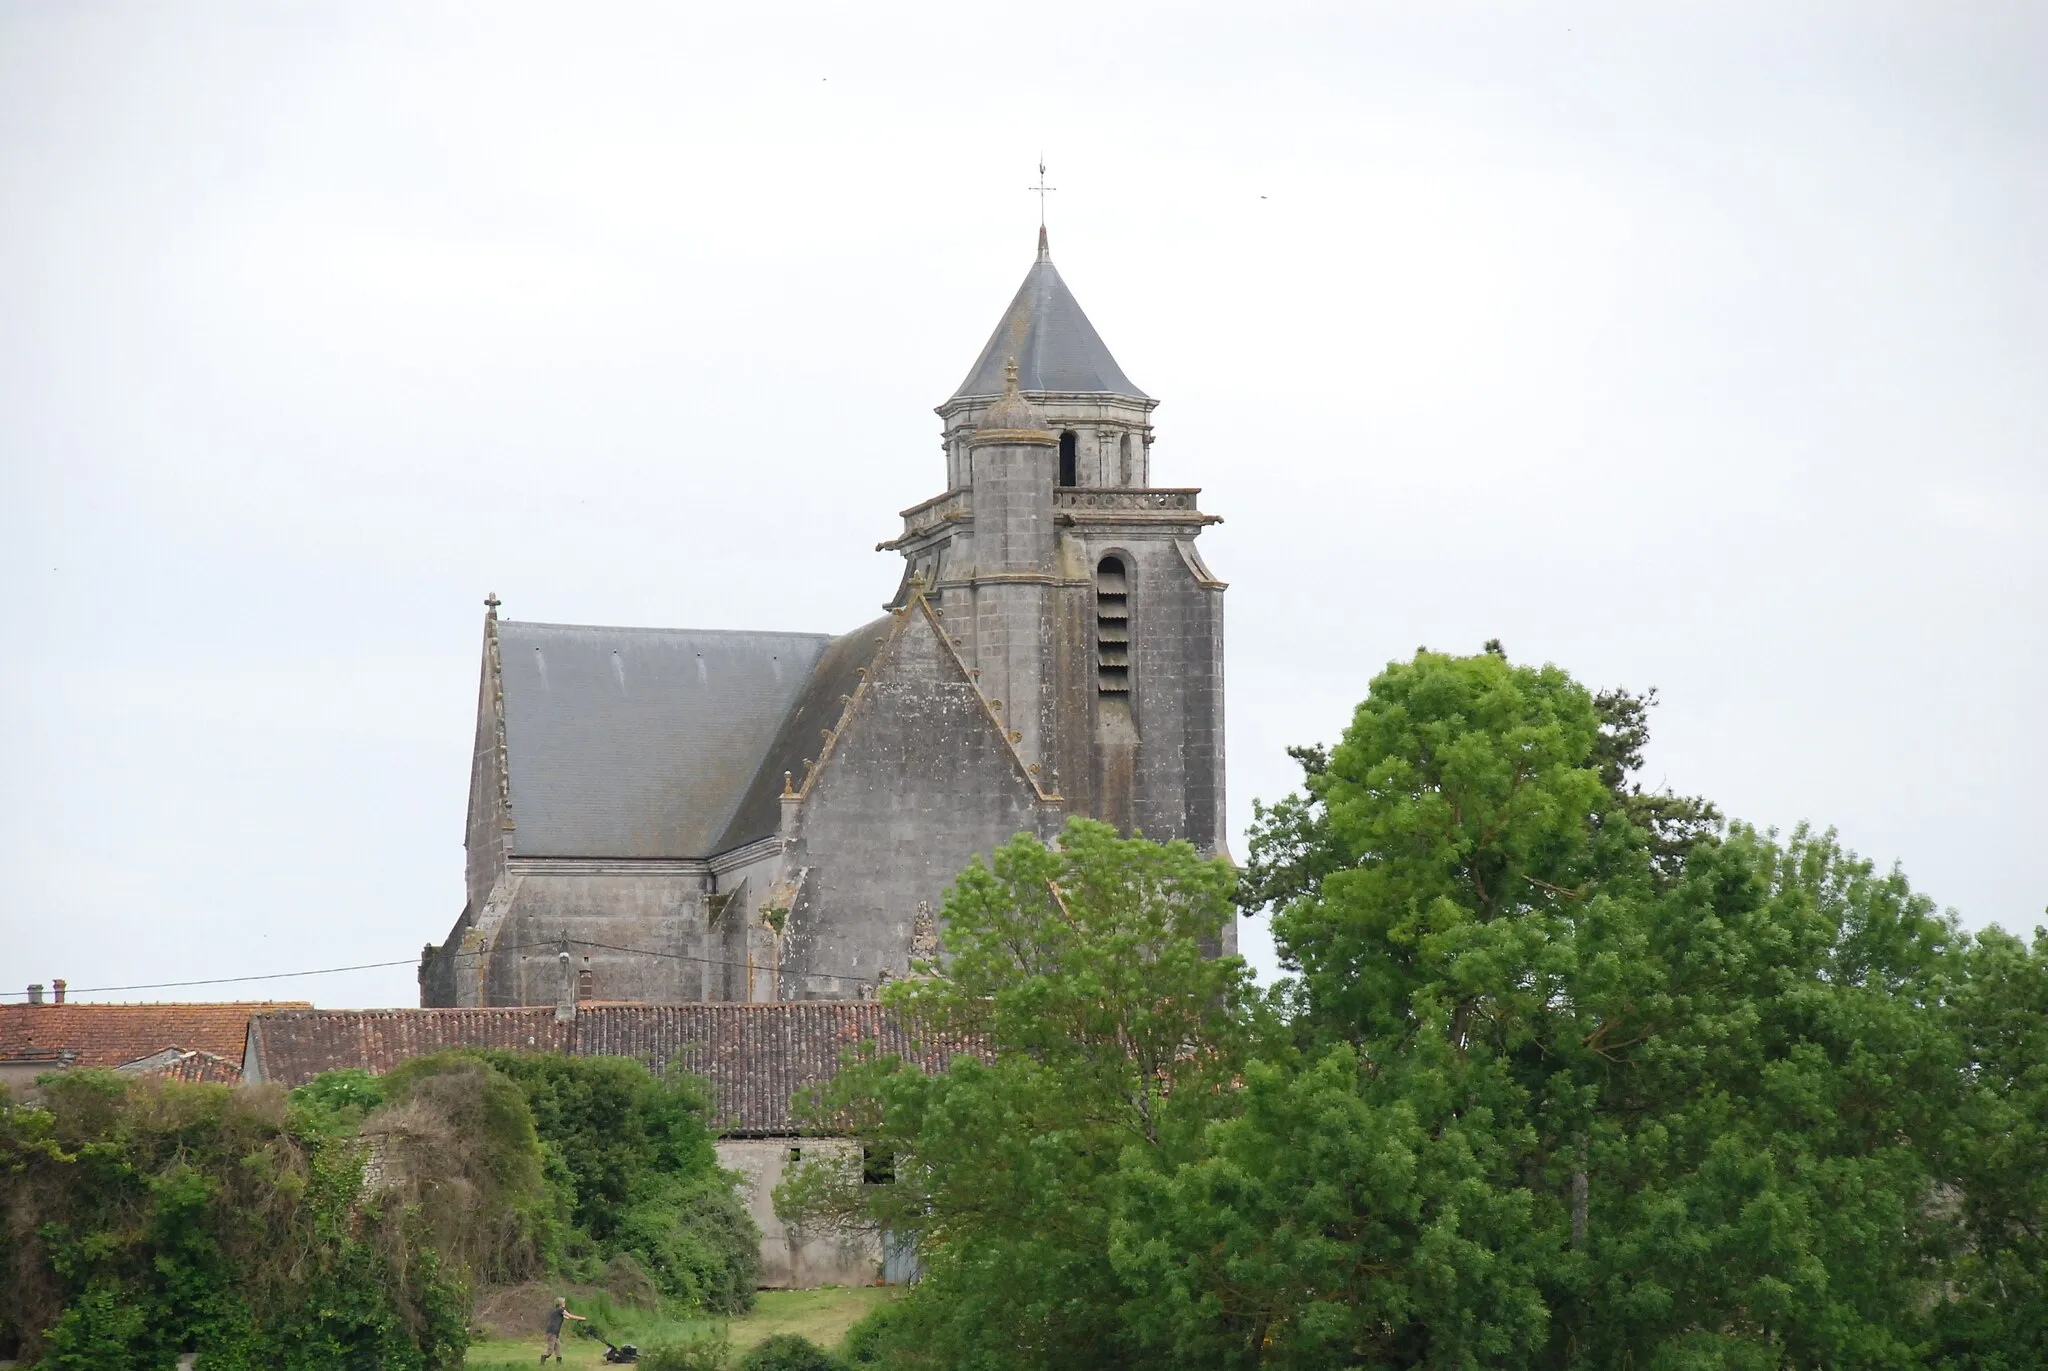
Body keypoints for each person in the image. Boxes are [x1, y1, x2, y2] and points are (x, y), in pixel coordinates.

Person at [543, 1296, 585, 1363]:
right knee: (550, 1350)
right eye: (564, 1302)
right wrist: (582, 1318)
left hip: (554, 1332)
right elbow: (570, 1316)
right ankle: (542, 1361)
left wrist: (578, 1319)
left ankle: (559, 1364)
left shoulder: (557, 1311)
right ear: (561, 1303)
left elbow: (568, 1318)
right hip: (552, 1332)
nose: (565, 1303)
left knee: (558, 1348)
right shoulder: (560, 1310)